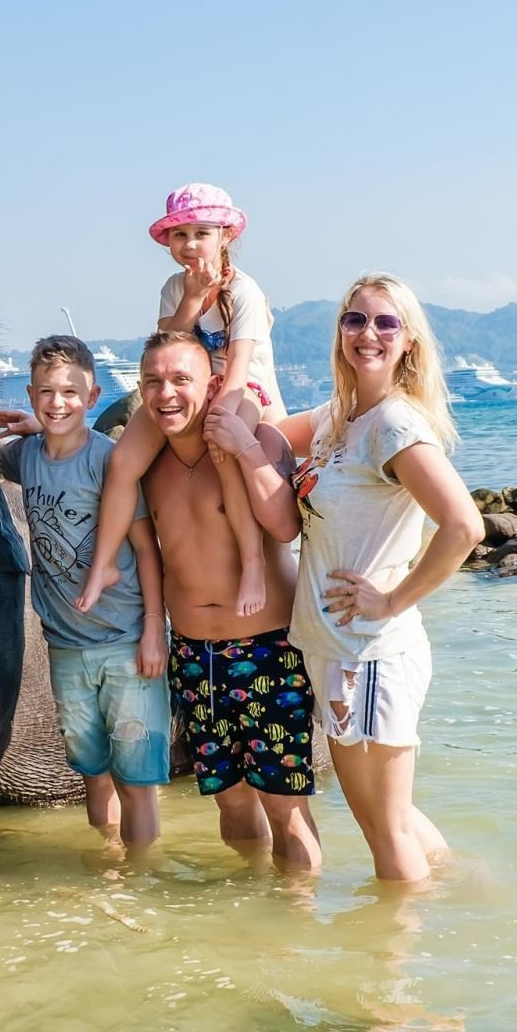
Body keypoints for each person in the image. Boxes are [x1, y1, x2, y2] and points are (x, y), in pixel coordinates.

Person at [274, 272, 485, 884]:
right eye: (356, 319)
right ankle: (463, 886)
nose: (368, 333)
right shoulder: (339, 416)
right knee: (382, 818)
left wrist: (393, 599)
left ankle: (394, 945)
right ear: (340, 331)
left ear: (408, 340)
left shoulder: (395, 423)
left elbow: (464, 527)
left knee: (384, 827)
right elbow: (265, 434)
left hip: (371, 652)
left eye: (386, 322)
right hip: (334, 648)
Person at [136, 329, 320, 869]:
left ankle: (299, 912)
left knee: (285, 806)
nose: (166, 393)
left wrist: (241, 446)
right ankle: (248, 907)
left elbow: (285, 527)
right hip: (194, 656)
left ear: (212, 385)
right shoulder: (149, 463)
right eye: (153, 382)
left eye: (181, 379)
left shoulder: (260, 440)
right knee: (230, 800)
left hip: (268, 647)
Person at [0, 336, 170, 856]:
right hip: (66, 645)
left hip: (125, 640)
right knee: (91, 772)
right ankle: (109, 865)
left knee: (136, 779)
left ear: (92, 398)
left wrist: (154, 631)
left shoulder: (108, 461)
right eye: (46, 392)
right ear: (30, 395)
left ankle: (142, 875)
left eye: (71, 392)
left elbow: (147, 549)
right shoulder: (25, 457)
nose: (58, 403)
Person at [74, 184, 286, 624]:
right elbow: (166, 347)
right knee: (123, 461)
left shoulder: (244, 291)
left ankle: (252, 563)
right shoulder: (174, 287)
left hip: (242, 387)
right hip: (186, 384)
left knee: (223, 448)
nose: (190, 244)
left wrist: (223, 420)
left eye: (201, 233)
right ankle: (105, 562)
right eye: (179, 235)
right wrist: (192, 297)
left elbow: (240, 367)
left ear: (225, 236)